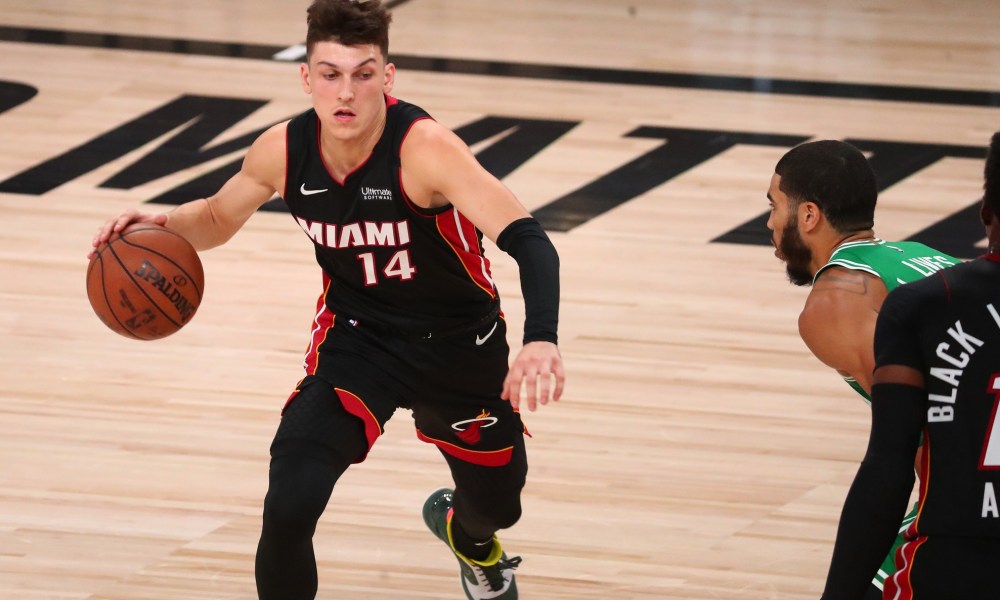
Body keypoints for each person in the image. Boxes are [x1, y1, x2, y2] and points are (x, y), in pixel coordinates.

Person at [89, 1, 565, 598]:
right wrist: (159, 225)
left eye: (363, 75)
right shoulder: (284, 150)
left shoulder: (425, 149)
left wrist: (541, 338)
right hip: (359, 342)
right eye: (330, 74)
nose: (346, 93)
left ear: (387, 77)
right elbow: (215, 217)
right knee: (289, 502)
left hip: (460, 348)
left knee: (496, 507)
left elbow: (531, 242)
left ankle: (470, 542)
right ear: (306, 76)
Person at [765, 139, 959, 598]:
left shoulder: (835, 302)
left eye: (774, 205)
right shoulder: (917, 253)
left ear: (808, 215)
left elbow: (922, 428)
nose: (769, 222)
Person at [820, 132, 1000, 599]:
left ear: (985, 214)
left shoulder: (919, 304)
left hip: (954, 559)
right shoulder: (923, 271)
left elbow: (890, 464)